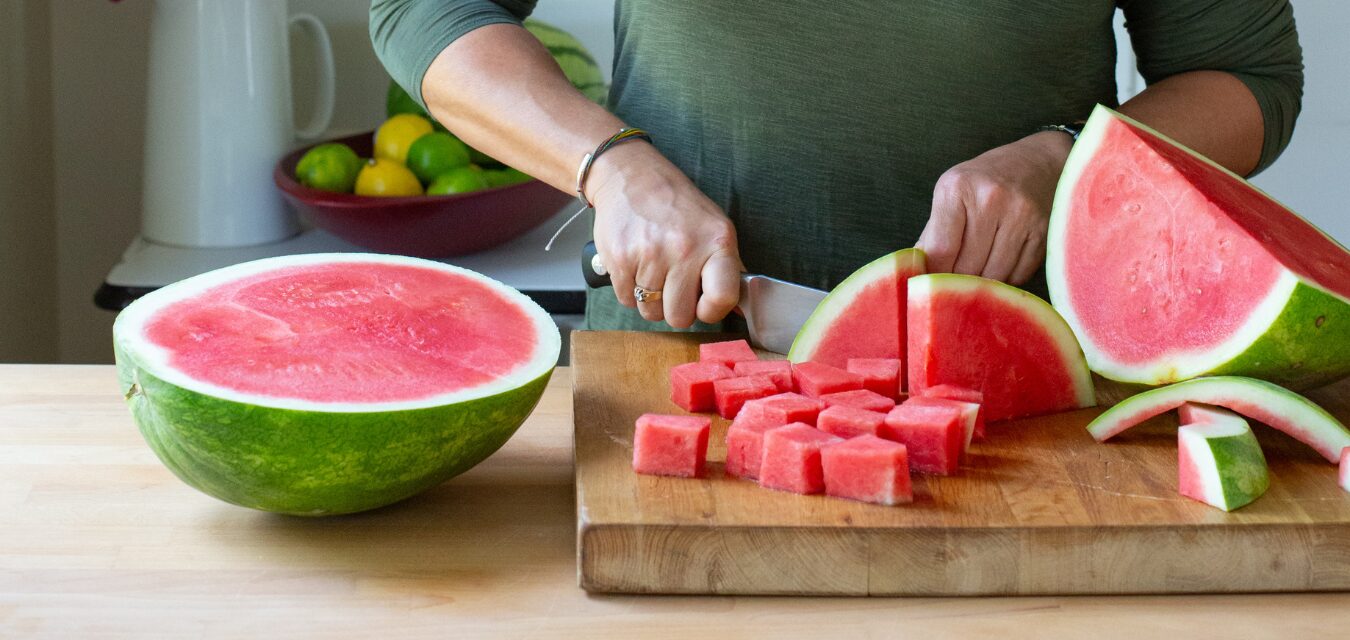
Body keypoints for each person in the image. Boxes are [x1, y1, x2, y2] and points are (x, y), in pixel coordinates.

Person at [370, 0, 1302, 333]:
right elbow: (425, 6)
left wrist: (1067, 160)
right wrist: (610, 168)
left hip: (1033, 374)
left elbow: (1249, 77)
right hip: (680, 365)